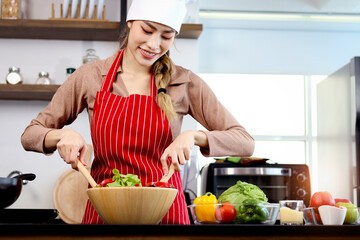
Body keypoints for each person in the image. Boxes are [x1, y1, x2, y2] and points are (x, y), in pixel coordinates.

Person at [21, 0, 254, 224]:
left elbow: (244, 142)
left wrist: (194, 137)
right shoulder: (90, 76)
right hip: (106, 213)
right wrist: (62, 136)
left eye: (166, 36)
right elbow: (30, 135)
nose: (154, 45)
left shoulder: (185, 82)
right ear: (130, 23)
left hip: (165, 215)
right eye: (147, 30)